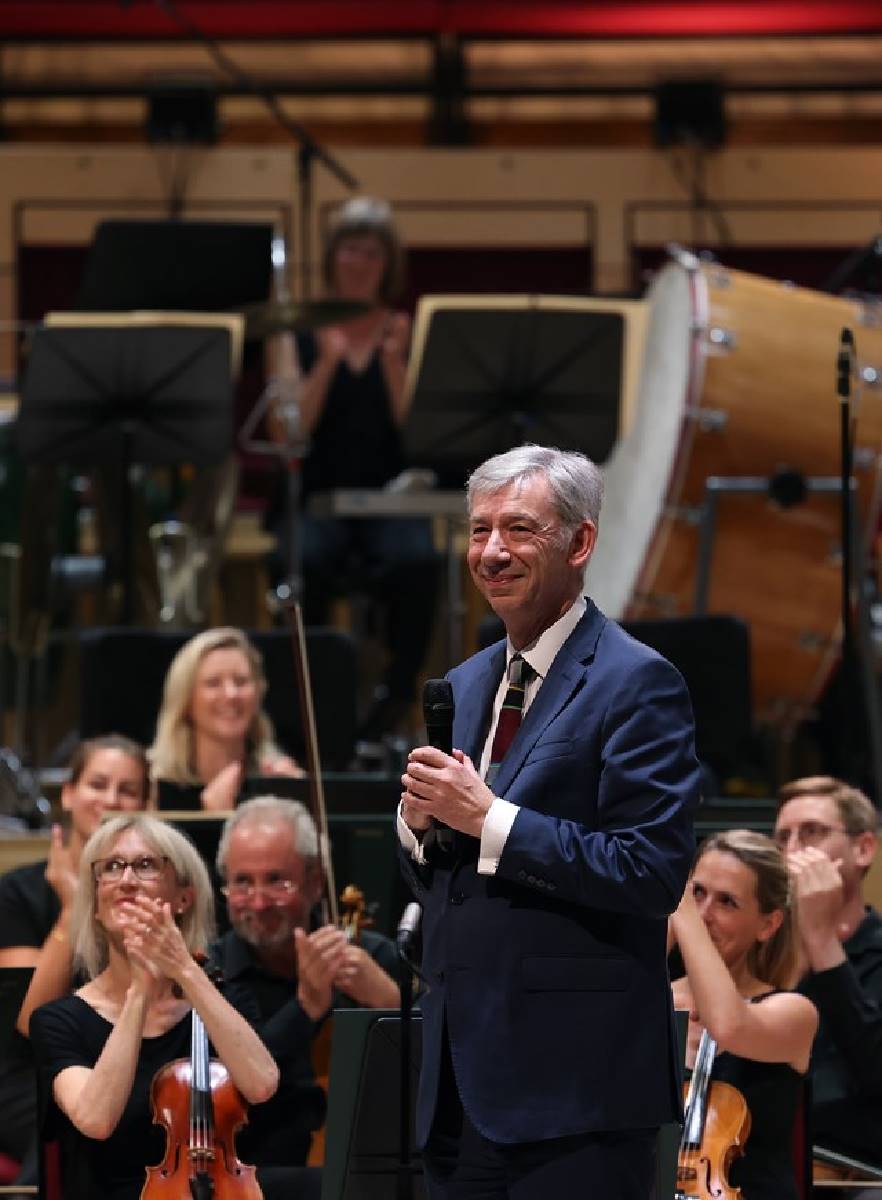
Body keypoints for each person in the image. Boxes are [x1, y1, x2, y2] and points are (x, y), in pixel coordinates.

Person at [397, 443, 702, 1198]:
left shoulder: (638, 682)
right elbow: (448, 877)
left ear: (581, 542)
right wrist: (417, 824)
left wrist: (491, 818)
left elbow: (651, 870)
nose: (492, 551)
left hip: (576, 1097)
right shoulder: (466, 683)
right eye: (478, 530)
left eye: (519, 529)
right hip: (460, 1091)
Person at [29, 813, 279, 1200]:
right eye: (111, 868)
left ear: (183, 897)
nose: (126, 881)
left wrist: (183, 969)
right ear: (96, 904)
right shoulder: (58, 1020)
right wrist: (140, 994)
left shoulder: (225, 1002)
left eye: (146, 866)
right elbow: (95, 1119)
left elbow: (262, 1085)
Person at [267, 195, 439, 741]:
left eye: (371, 252)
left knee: (419, 563)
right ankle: (318, 707)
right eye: (349, 250)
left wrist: (392, 363)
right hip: (315, 496)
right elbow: (288, 433)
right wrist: (328, 361)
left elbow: (419, 437)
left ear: (387, 264)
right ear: (332, 258)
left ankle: (392, 698)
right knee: (304, 563)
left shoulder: (403, 330)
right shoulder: (295, 330)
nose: (359, 263)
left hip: (390, 499)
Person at [210, 796, 399, 1173]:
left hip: (367, 1172)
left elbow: (438, 1075)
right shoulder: (209, 973)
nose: (259, 902)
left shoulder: (372, 957)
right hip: (250, 1175)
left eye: (277, 880)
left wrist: (393, 1004)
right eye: (243, 882)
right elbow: (220, 1096)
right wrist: (304, 1010)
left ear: (315, 881)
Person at [0, 734, 148, 1186]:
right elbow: (31, 1021)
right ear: (68, 793)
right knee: (72, 1119)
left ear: (146, 802)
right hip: (28, 1072)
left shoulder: (151, 891)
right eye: (97, 784)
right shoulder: (18, 892)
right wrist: (72, 908)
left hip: (127, 1055)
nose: (110, 799)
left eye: (127, 790)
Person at [669, 829, 818, 1200]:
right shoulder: (657, 1000)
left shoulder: (793, 1012)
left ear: (768, 924)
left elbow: (729, 1026)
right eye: (697, 893)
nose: (704, 915)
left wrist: (681, 911)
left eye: (727, 902)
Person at [773, 775, 882, 1191]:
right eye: (782, 838)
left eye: (812, 832)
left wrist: (821, 942)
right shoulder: (762, 950)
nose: (793, 850)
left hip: (859, 1174)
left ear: (863, 848)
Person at [149, 626, 302, 811]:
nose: (231, 694)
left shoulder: (278, 778)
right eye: (213, 683)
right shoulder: (150, 783)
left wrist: (303, 802)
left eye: (241, 681)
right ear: (185, 699)